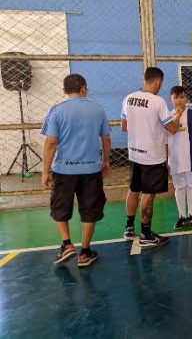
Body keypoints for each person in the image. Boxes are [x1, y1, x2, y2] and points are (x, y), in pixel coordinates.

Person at [41, 74, 111, 267]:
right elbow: (106, 139)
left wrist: (45, 171)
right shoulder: (98, 109)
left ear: (64, 90)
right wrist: (106, 161)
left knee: (60, 207)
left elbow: (51, 142)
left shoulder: (56, 110)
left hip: (64, 170)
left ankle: (67, 245)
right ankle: (85, 252)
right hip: (91, 170)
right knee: (90, 209)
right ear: (83, 88)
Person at [121, 67, 182, 248]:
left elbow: (124, 126)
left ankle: (129, 228)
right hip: (152, 157)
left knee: (134, 190)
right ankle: (146, 234)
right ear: (158, 81)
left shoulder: (129, 98)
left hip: (134, 153)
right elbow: (172, 128)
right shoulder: (158, 102)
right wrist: (178, 115)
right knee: (148, 195)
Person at [168, 86, 192, 230]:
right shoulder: (167, 116)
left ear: (186, 99)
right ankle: (182, 216)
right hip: (175, 158)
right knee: (179, 187)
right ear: (171, 99)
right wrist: (178, 115)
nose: (179, 100)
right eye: (176, 97)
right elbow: (165, 139)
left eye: (182, 97)